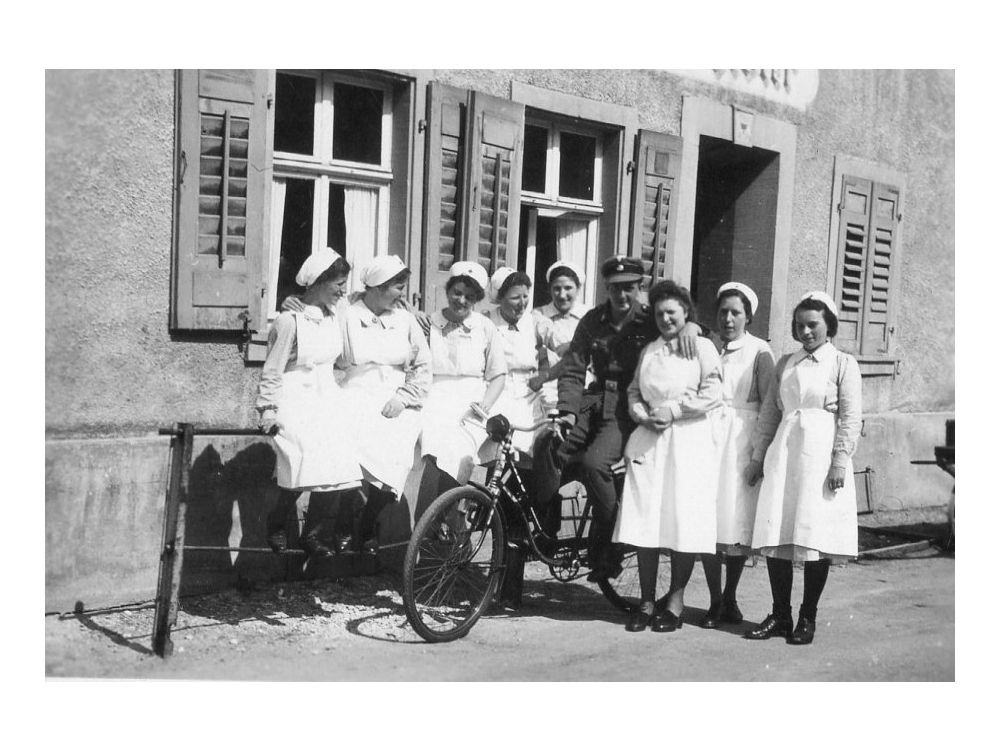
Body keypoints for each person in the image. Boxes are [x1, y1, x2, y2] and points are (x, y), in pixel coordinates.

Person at [531, 257, 701, 582]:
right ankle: (545, 529)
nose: (622, 295)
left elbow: (686, 323)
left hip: (627, 406)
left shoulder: (651, 319)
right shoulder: (593, 320)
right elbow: (573, 367)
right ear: (606, 288)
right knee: (549, 444)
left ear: (639, 289)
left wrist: (691, 324)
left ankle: (610, 544)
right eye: (615, 289)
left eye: (629, 288)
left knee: (596, 463)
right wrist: (567, 410)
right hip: (593, 400)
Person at [744, 291, 863, 645]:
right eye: (800, 325)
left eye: (813, 324)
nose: (806, 331)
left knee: (814, 535)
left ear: (829, 326)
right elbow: (769, 414)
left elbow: (851, 417)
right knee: (776, 531)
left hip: (820, 455)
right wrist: (757, 456)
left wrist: (839, 461)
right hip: (785, 452)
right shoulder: (785, 363)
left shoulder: (842, 363)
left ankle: (807, 617)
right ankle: (780, 614)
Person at [613, 280, 723, 632]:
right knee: (646, 520)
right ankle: (646, 600)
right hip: (650, 441)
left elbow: (713, 393)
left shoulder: (702, 347)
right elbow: (633, 391)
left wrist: (674, 411)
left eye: (672, 312)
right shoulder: (650, 350)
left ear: (686, 313)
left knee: (682, 520)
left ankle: (675, 600)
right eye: (659, 313)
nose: (665, 319)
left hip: (688, 441)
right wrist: (643, 414)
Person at [257, 249, 364, 557]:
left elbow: (344, 357)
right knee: (301, 459)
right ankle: (278, 522)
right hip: (294, 397)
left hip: (325, 396)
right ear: (319, 281)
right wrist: (267, 409)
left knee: (340, 464)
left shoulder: (336, 316)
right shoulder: (289, 320)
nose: (342, 290)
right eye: (339, 283)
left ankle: (312, 533)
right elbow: (273, 369)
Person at [335, 255, 431, 553]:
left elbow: (423, 365)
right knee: (349, 447)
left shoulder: (405, 319)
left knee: (398, 452)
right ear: (378, 286)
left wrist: (403, 398)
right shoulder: (346, 314)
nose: (402, 294)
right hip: (353, 391)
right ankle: (341, 521)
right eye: (397, 287)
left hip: (396, 396)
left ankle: (368, 520)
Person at [699, 282, 776, 629]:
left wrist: (758, 455)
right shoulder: (706, 346)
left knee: (735, 522)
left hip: (740, 441)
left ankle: (730, 595)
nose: (728, 319)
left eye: (736, 313)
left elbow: (768, 407)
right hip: (708, 438)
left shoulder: (760, 352)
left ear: (748, 317)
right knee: (707, 520)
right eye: (723, 312)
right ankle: (715, 600)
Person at [417, 261, 507, 505]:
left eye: (469, 296)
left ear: (476, 299)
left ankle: (445, 517)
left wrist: (484, 405)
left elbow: (498, 375)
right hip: (435, 397)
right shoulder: (428, 324)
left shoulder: (485, 327)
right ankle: (431, 523)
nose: (462, 301)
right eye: (457, 293)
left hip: (473, 401)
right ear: (447, 292)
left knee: (463, 454)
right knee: (437, 450)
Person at [482, 267, 549, 459]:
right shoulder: (486, 320)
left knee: (530, 455)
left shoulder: (535, 322)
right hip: (495, 392)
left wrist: (545, 375)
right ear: (500, 298)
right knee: (496, 456)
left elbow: (562, 344)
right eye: (514, 298)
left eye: (525, 296)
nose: (522, 304)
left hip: (528, 398)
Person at [528, 260, 592, 412]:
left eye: (568, 288)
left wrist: (574, 346)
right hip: (549, 391)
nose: (562, 295)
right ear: (549, 290)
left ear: (578, 289)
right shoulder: (538, 316)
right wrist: (580, 345)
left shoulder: (590, 316)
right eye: (557, 288)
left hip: (585, 388)